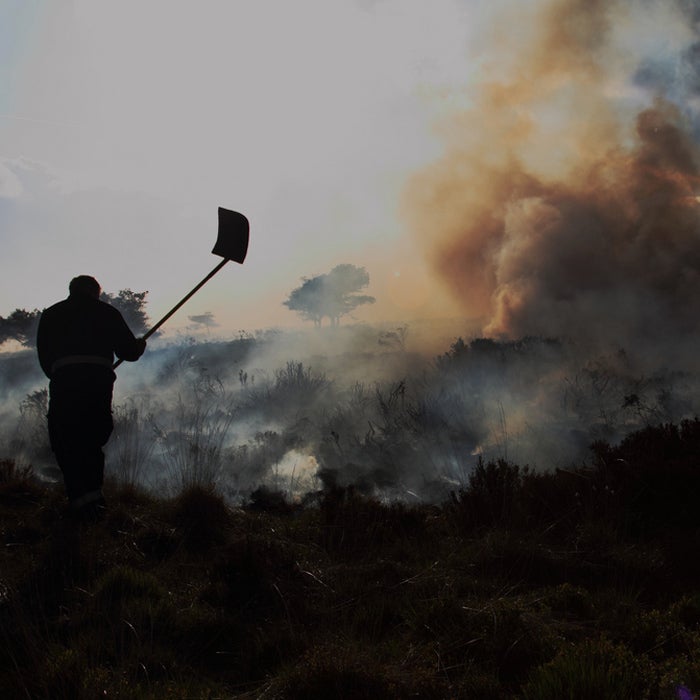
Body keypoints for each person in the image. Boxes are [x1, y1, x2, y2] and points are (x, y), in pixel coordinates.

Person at [37, 275, 147, 521]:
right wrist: (140, 346)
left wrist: (59, 374)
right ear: (95, 292)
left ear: (71, 291)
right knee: (92, 438)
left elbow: (44, 358)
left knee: (65, 439)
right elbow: (128, 351)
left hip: (64, 385)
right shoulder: (106, 312)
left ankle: (79, 500)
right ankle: (93, 503)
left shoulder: (51, 314)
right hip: (97, 385)